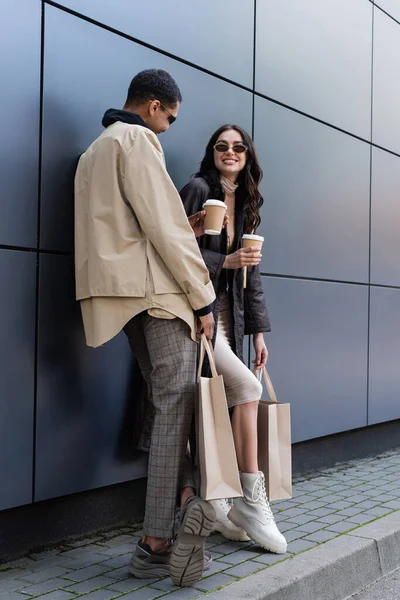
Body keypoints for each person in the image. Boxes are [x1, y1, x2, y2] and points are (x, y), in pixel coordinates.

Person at [74, 69, 218, 587]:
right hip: (156, 296)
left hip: (118, 293)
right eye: (170, 118)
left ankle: (174, 512)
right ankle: (157, 541)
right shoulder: (137, 139)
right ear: (154, 106)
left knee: (166, 402)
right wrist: (203, 298)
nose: (168, 130)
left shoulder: (96, 150)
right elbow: (161, 225)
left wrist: (189, 227)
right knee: (177, 399)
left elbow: (128, 225)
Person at [180, 124, 287, 554]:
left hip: (231, 320)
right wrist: (227, 259)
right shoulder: (196, 188)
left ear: (247, 157)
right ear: (213, 152)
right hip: (197, 318)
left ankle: (222, 506)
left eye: (238, 147)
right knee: (245, 387)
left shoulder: (246, 204)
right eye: (222, 146)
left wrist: (260, 332)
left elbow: (252, 279)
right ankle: (252, 501)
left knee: (221, 405)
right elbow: (177, 251)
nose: (230, 152)